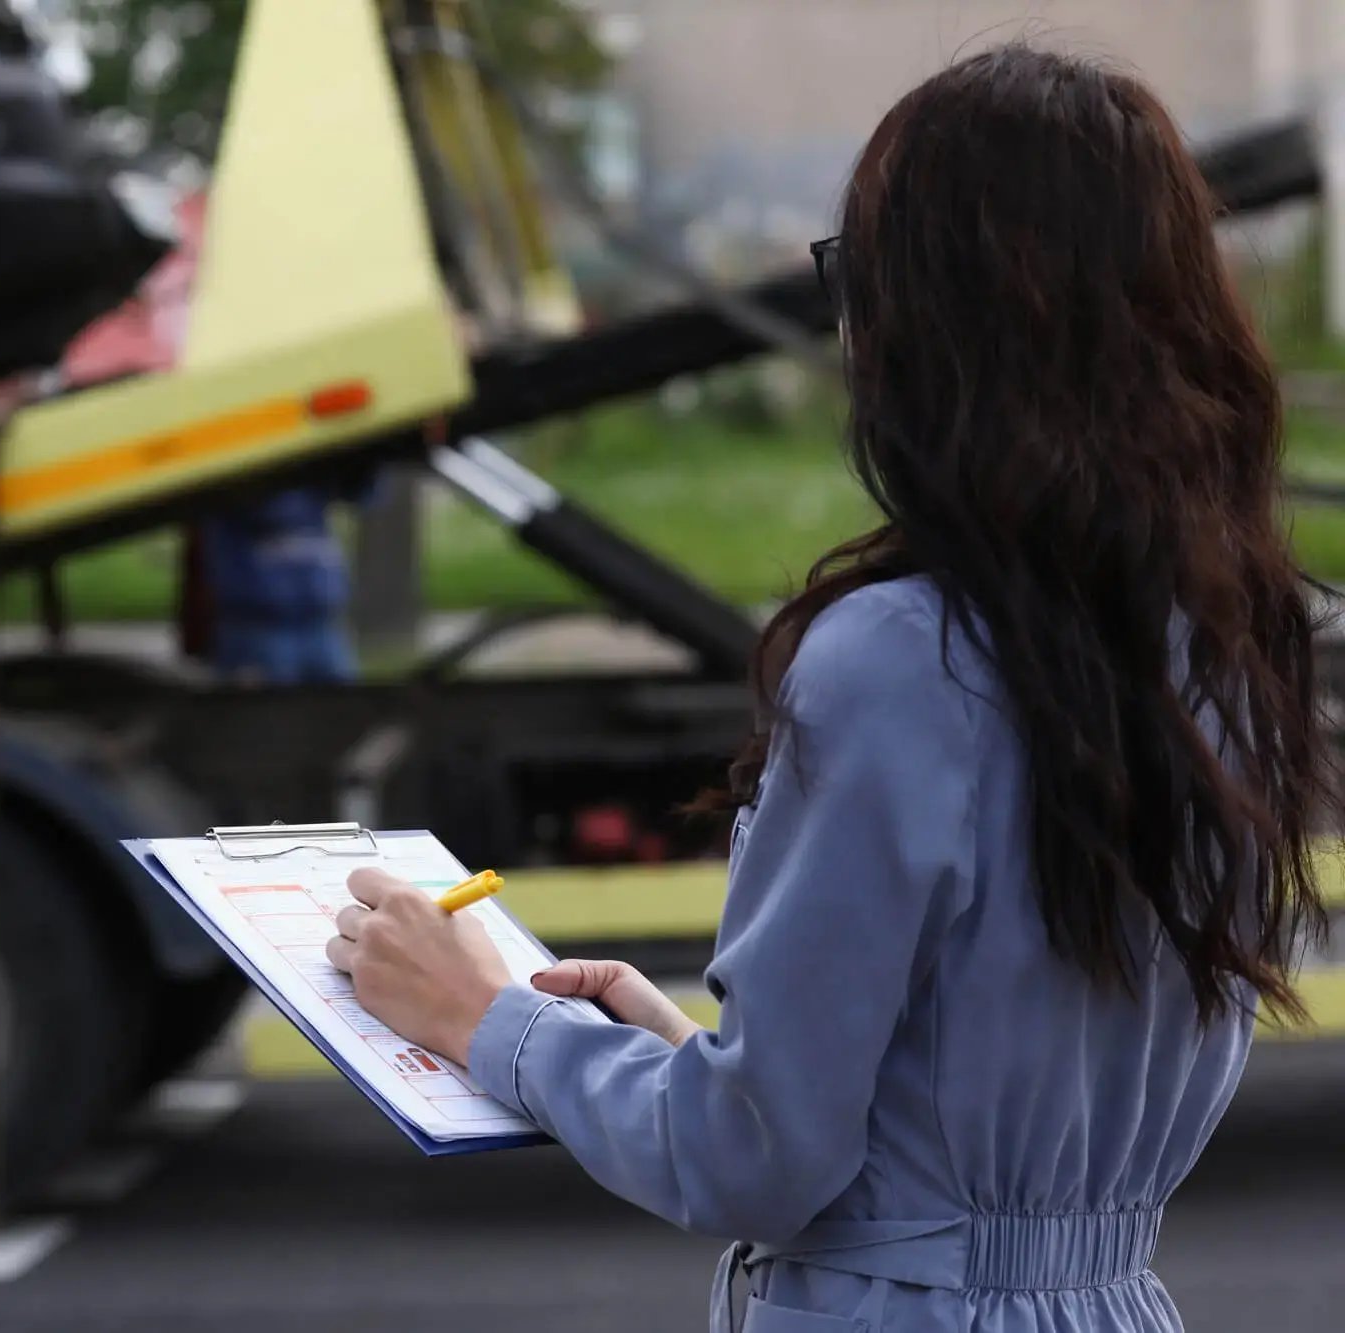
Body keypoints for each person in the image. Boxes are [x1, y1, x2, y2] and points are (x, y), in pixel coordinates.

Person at [323, 44, 1332, 1333]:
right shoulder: (1230, 642)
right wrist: (676, 1053)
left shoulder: (901, 658)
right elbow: (944, 1118)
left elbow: (754, 1163)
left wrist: (483, 1022)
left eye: (850, 275)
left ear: (934, 324)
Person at [196, 484, 358, 685]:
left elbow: (362, 491)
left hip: (319, 620)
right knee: (271, 713)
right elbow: (271, 510)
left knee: (344, 710)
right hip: (260, 625)